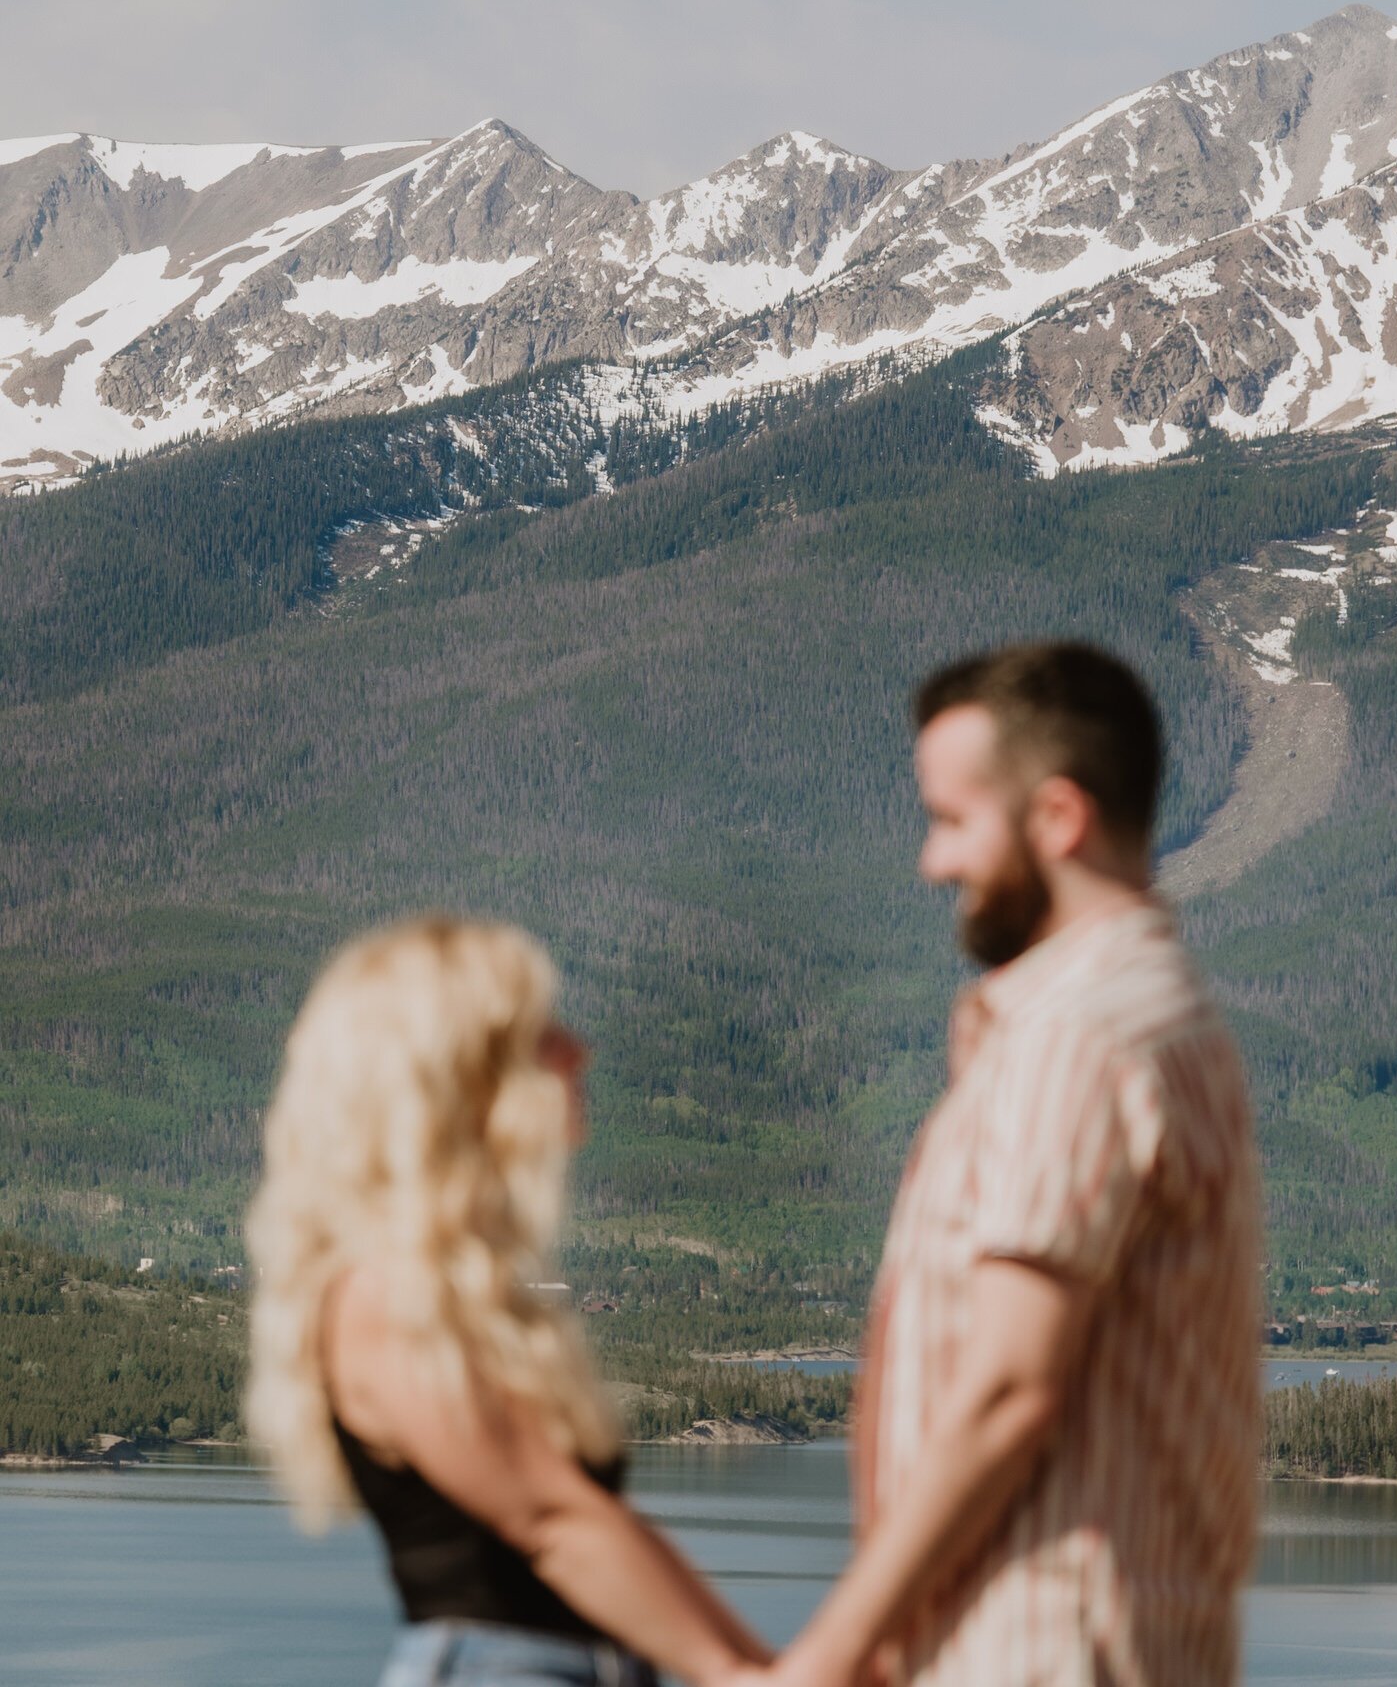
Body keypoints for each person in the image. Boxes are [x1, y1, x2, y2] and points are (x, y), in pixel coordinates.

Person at [760, 641, 1261, 1687]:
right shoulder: (1161, 1018)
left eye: (950, 822)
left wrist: (828, 1653)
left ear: (1056, 820)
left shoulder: (1079, 1035)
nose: (930, 863)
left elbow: (1005, 1389)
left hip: (1036, 1648)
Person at [247, 914, 770, 1687]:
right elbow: (552, 1522)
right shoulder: (381, 1294)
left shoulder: (462, 1289)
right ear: (461, 1075)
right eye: (542, 1033)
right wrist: (737, 1673)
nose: (577, 1050)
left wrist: (764, 1666)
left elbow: (600, 1523)